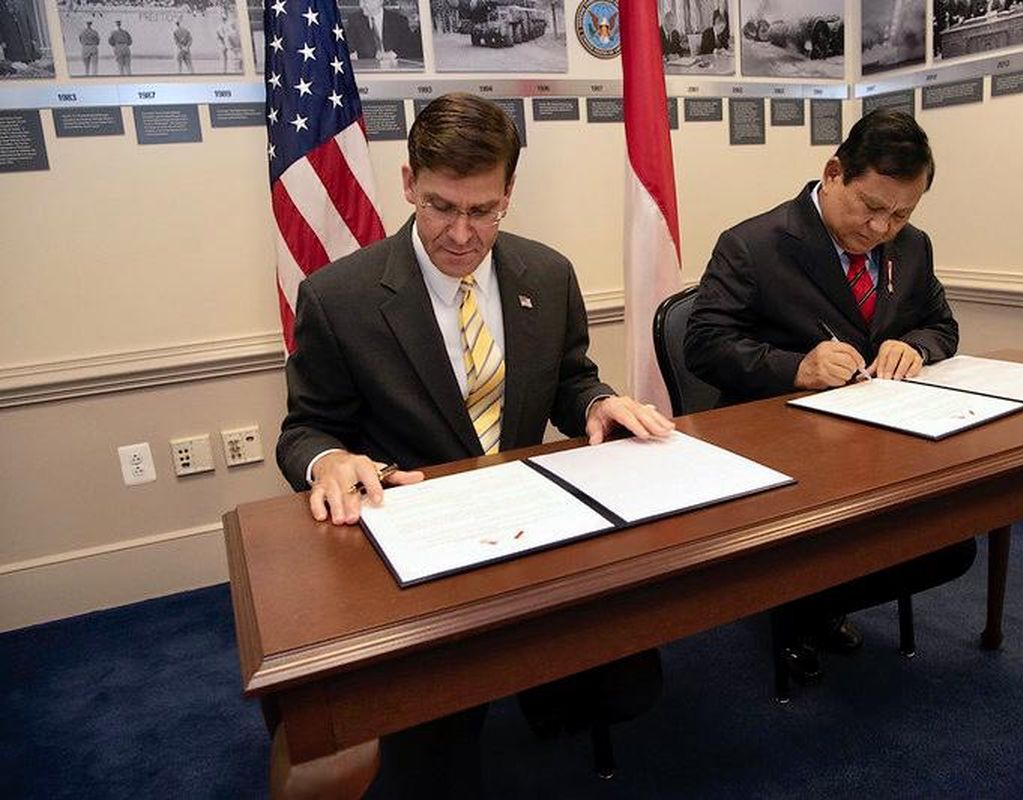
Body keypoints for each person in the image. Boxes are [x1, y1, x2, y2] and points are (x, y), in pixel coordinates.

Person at [277, 92, 673, 797]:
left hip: (529, 524)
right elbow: (304, 429)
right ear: (408, 185)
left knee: (630, 683)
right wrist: (329, 460)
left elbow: (570, 379)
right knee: (427, 763)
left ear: (508, 194)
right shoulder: (340, 297)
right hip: (418, 544)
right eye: (440, 207)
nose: (461, 233)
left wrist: (599, 401)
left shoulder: (546, 276)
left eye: (483, 210)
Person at [684, 109, 976, 685]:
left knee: (952, 546)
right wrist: (797, 368)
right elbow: (705, 345)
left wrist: (913, 345)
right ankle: (796, 599)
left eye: (900, 214)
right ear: (834, 171)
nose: (880, 229)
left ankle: (809, 598)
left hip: (880, 442)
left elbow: (943, 326)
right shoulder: (754, 243)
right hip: (782, 450)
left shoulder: (913, 248)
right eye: (871, 207)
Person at [344, 0, 423, 64]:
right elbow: (350, 48)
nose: (361, 5)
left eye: (365, 1)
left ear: (380, 1)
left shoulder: (399, 20)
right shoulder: (354, 20)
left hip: (395, 68)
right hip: (368, 68)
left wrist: (393, 54)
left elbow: (411, 47)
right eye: (360, 1)